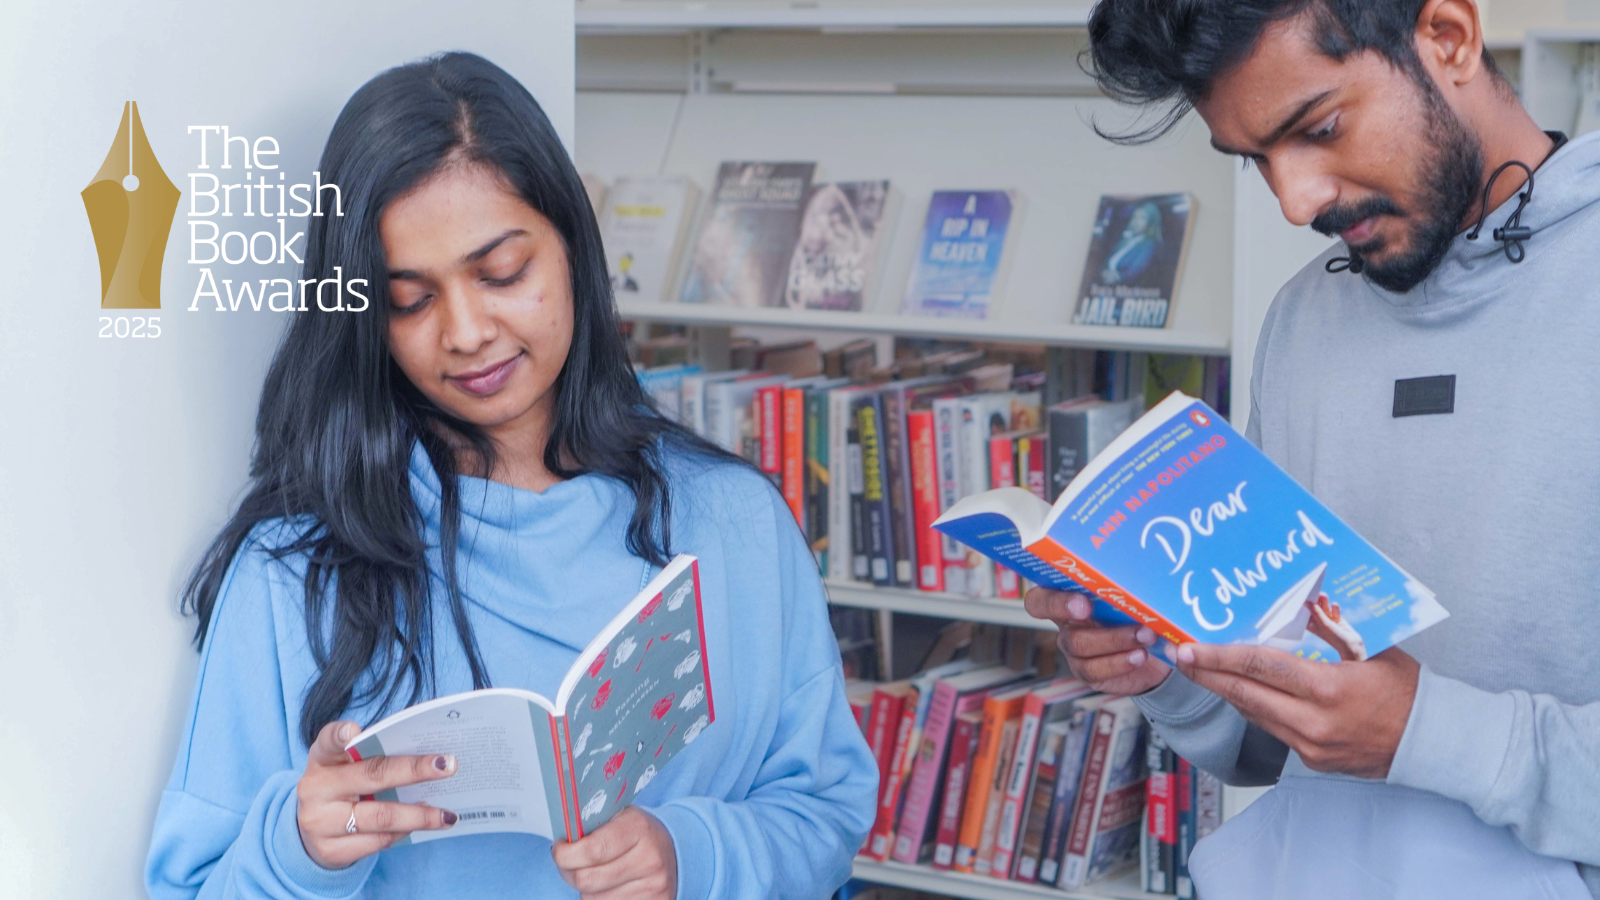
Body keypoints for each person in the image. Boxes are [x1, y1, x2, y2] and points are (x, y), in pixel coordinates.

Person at [144, 52, 877, 900]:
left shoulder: (736, 521)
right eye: (410, 301)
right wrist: (297, 850)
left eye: (502, 274)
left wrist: (690, 857)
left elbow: (825, 814)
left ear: (570, 244)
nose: (465, 332)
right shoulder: (292, 571)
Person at [1025, 1, 1600, 897]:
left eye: (1321, 128)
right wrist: (1161, 670)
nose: (1297, 202)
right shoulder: (1306, 320)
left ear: (1448, 37)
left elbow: (1399, 731)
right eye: (1257, 159)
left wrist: (1421, 731)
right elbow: (1266, 747)